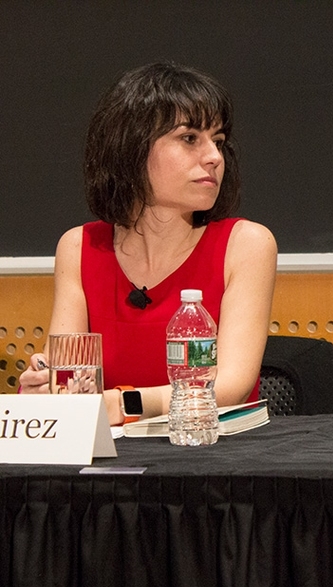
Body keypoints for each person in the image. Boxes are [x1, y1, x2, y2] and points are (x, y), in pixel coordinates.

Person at [18, 62, 278, 426]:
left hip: (211, 455)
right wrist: (44, 388)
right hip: (109, 458)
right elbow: (67, 371)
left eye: (217, 142)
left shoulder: (247, 244)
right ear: (131, 148)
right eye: (190, 139)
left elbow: (229, 385)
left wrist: (125, 403)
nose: (214, 157)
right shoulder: (79, 247)